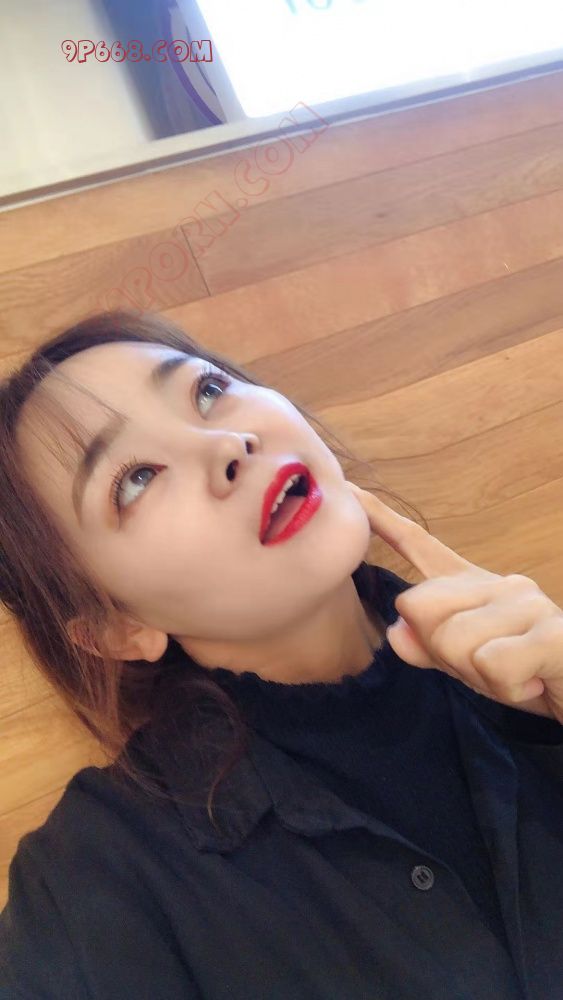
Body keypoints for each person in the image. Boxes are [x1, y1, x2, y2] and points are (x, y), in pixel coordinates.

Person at [0, 309, 562, 1000]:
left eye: (208, 391)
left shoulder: (528, 668)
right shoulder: (93, 881)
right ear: (116, 628)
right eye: (135, 479)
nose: (226, 443)